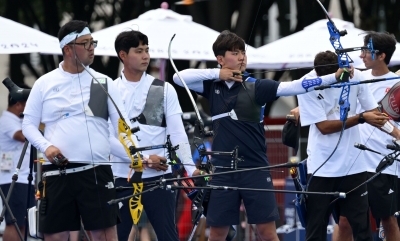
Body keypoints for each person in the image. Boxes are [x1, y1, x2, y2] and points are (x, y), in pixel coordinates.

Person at [172, 30, 351, 241]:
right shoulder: (212, 85)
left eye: (243, 52)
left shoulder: (258, 86)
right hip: (223, 170)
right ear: (220, 59)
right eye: (235, 53)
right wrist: (218, 74)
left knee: (266, 233)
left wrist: (334, 76)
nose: (241, 57)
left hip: (255, 168)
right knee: (218, 234)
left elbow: (295, 86)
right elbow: (177, 77)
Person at [22, 20, 129, 241]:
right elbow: (28, 126)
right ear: (67, 49)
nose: (92, 48)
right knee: (56, 237)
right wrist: (47, 147)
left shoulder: (104, 82)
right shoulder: (44, 83)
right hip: (58, 173)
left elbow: (123, 131)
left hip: (97, 172)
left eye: (93, 42)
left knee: (106, 236)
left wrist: (140, 157)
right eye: (85, 43)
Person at [296, 50, 397, 241]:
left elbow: (374, 114)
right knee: (315, 231)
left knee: (362, 230)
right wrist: (360, 118)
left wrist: (398, 135)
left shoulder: (354, 75)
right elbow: (324, 127)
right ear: (318, 74)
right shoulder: (307, 84)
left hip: (354, 167)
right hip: (321, 169)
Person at [111, 30, 199, 241]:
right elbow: (104, 139)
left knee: (168, 236)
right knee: (115, 237)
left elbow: (178, 134)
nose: (146, 56)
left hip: (159, 178)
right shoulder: (108, 89)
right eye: (139, 51)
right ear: (123, 55)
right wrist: (143, 160)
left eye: (147, 50)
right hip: (122, 177)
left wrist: (191, 169)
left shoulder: (164, 89)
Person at [355, 31, 400, 240]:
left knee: (387, 219)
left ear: (382, 55)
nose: (362, 55)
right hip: (353, 161)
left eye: (366, 50)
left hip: (385, 162)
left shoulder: (397, 82)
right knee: (347, 220)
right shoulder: (356, 79)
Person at [0, 92, 34, 241]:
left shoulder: (17, 120)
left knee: (23, 222)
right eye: (29, 104)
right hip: (13, 178)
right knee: (14, 222)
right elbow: (22, 136)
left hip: (22, 178)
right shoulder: (7, 120)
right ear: (18, 104)